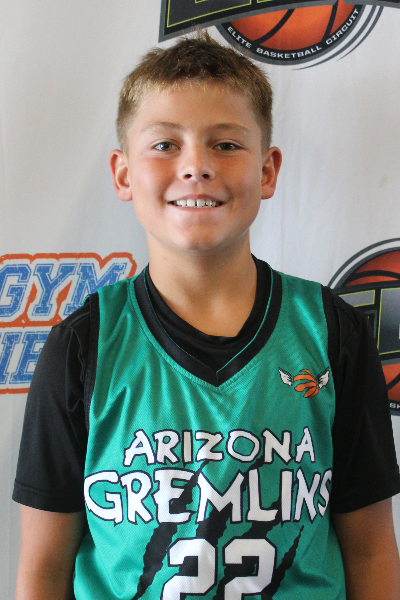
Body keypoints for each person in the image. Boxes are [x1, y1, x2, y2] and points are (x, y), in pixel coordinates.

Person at [13, 32, 400, 600]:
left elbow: (370, 548)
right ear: (123, 174)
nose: (195, 166)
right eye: (165, 144)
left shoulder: (330, 331)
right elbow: (44, 569)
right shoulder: (83, 346)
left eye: (226, 144)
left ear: (267, 171)